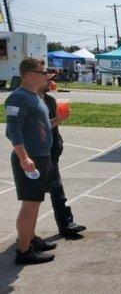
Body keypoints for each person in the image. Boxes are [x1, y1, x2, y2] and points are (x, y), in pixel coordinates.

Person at [5, 58, 67, 265]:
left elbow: (39, 127)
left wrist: (57, 120)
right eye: (43, 72)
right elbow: (12, 130)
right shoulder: (18, 98)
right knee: (29, 205)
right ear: (30, 74)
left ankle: (31, 239)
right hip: (30, 159)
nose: (46, 75)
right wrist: (24, 158)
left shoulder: (34, 97)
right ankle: (24, 251)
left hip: (42, 156)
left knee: (35, 202)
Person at [39, 77, 87, 238]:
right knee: (33, 197)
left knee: (57, 190)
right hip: (36, 154)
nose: (50, 81)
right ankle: (28, 236)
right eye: (46, 78)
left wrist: (58, 143)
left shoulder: (50, 100)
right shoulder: (30, 101)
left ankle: (66, 223)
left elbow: (54, 127)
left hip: (51, 152)